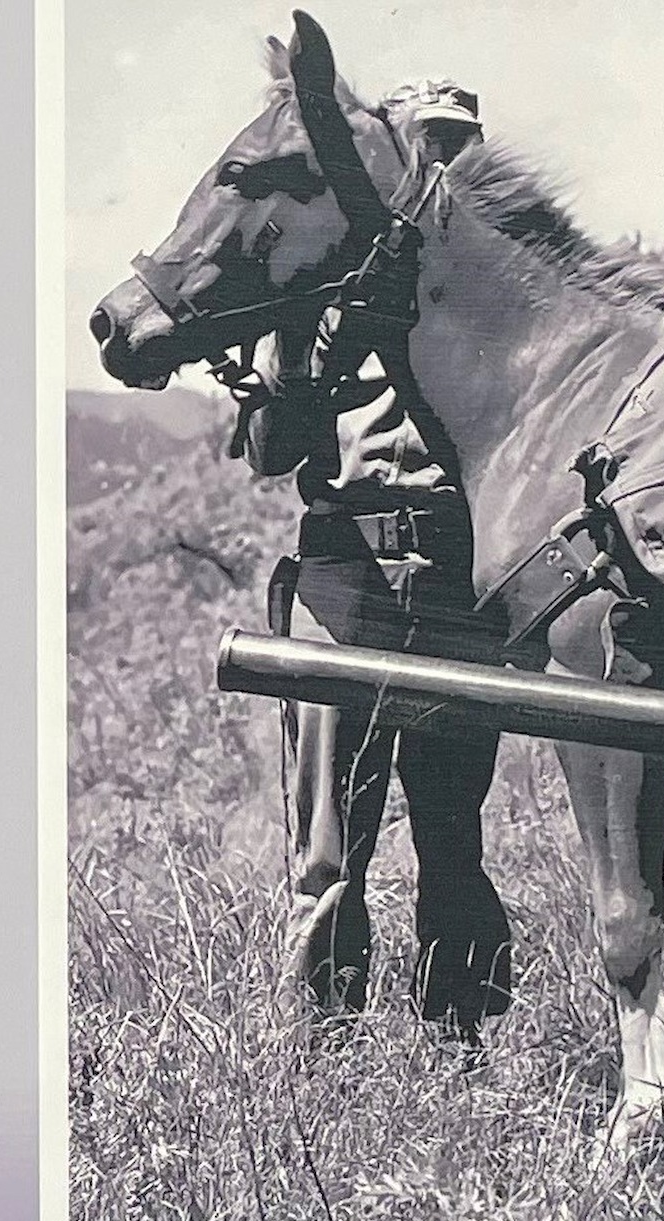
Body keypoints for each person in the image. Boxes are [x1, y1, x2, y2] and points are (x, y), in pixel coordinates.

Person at [230, 79, 513, 1049]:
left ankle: (457, 1043)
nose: (439, 165)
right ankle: (325, 1054)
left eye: (456, 147)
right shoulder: (313, 286)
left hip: (450, 569)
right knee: (326, 847)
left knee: (449, 830)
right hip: (344, 567)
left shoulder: (493, 296)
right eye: (423, 145)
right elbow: (269, 447)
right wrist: (305, 356)